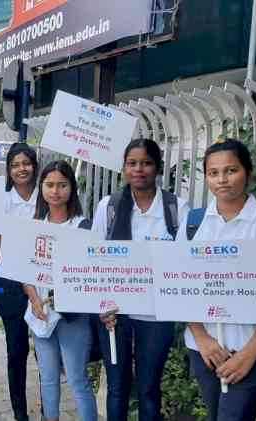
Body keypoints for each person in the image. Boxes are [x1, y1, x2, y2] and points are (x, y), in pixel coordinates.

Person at [184, 139, 256, 421]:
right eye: (213, 172)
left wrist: (249, 354)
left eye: (231, 170)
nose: (222, 179)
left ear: (248, 171)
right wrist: (202, 337)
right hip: (205, 351)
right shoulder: (192, 225)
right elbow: (179, 288)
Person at [92, 138, 190, 421]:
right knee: (118, 388)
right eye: (132, 163)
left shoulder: (176, 209)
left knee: (148, 389)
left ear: (157, 168)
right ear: (124, 169)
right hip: (114, 314)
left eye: (146, 163)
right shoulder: (108, 207)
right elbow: (94, 259)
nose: (139, 169)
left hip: (157, 314)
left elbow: (183, 263)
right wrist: (102, 306)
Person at [23, 160, 98, 421]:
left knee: (77, 379)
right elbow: (24, 270)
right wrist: (34, 300)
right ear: (41, 187)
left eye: (62, 185)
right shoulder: (34, 225)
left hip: (72, 316)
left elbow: (90, 274)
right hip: (40, 313)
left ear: (72, 188)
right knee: (48, 379)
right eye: (50, 185)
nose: (55, 191)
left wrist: (61, 295)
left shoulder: (83, 227)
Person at [0, 142, 39, 421]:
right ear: (8, 170)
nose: (22, 169)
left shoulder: (48, 196)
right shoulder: (1, 202)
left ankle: (49, 409)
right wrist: (18, 260)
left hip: (45, 285)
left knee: (45, 352)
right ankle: (20, 413)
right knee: (17, 350)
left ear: (35, 166)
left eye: (26, 163)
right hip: (12, 286)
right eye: (16, 165)